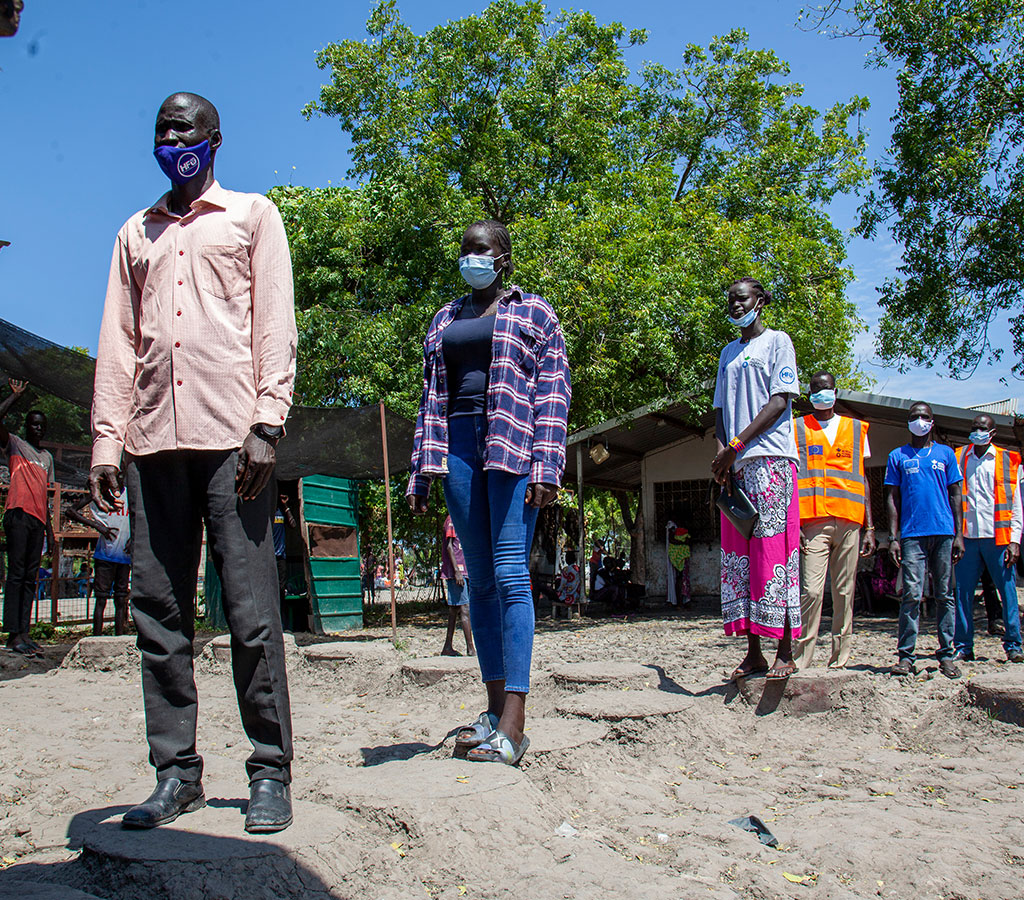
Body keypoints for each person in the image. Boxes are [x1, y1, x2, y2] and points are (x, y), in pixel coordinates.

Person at [90, 93, 297, 833]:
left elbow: (274, 320)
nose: (171, 138)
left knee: (249, 615)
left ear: (214, 139)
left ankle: (270, 771)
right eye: (161, 129)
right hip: (151, 444)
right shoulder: (134, 233)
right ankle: (175, 774)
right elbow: (118, 340)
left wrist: (268, 423)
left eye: (184, 128)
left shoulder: (251, 216)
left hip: (232, 443)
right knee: (160, 616)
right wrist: (106, 440)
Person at [407, 219, 570, 766]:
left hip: (512, 448)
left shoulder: (535, 313)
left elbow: (553, 394)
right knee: (477, 582)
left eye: (482, 249)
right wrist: (420, 471)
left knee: (509, 573)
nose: (472, 257)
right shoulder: (444, 318)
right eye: (465, 249)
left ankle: (516, 723)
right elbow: (431, 398)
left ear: (503, 258)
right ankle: (495, 710)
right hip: (455, 450)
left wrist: (548, 466)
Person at [712, 277, 802, 681]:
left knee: (773, 552)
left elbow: (780, 401)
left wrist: (737, 442)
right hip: (735, 464)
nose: (735, 304)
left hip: (770, 458)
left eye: (742, 298)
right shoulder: (727, 353)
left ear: (761, 301)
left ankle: (784, 649)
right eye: (730, 299)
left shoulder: (778, 342)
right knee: (741, 555)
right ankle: (754, 653)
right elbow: (718, 411)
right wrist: (723, 454)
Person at [792, 371, 877, 670]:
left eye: (826, 388)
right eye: (815, 390)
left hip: (850, 520)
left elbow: (863, 480)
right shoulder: (797, 429)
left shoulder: (855, 429)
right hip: (813, 522)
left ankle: (839, 659)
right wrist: (795, 524)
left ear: (835, 391)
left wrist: (870, 526)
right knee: (812, 591)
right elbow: (791, 479)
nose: (821, 394)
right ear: (809, 394)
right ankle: (802, 658)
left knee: (844, 592)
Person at [884, 402, 964, 678]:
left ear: (933, 421)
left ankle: (946, 654)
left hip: (943, 533)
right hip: (911, 535)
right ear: (908, 422)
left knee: (945, 595)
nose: (920, 420)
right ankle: (906, 656)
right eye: (915, 416)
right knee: (911, 596)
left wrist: (959, 535)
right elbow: (892, 498)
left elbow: (956, 495)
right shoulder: (898, 456)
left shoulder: (946, 454)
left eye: (925, 417)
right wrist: (893, 537)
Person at [952, 414, 1022, 663]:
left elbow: (1016, 504)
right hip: (967, 537)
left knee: (1008, 592)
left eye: (983, 428)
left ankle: (1013, 644)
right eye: (974, 428)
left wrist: (1015, 540)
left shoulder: (1008, 459)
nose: (977, 431)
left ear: (992, 433)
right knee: (962, 593)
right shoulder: (959, 456)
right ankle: (963, 646)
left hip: (998, 537)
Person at [1, 378, 55, 657]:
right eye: (34, 423)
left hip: (36, 519)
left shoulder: (46, 458)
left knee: (30, 578)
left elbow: (45, 497)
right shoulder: (14, 445)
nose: (38, 428)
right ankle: (12, 634)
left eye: (41, 425)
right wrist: (14, 397)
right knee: (17, 575)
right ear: (26, 426)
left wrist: (50, 533)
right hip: (18, 515)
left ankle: (24, 631)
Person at [65, 487, 132, 636]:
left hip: (124, 555)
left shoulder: (131, 493)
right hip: (105, 554)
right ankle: (97, 635)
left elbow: (141, 517)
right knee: (101, 598)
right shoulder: (100, 493)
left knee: (121, 598)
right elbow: (71, 511)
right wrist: (98, 526)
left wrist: (133, 538)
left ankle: (119, 635)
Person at [439, 514, 474, 657]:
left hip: (463, 571)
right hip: (456, 572)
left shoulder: (462, 519)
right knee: (465, 608)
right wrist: (457, 572)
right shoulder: (451, 520)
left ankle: (447, 646)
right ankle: (471, 648)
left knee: (454, 609)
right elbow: (449, 547)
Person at [272, 494, 299, 631]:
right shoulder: (266, 513)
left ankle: (282, 625)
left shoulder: (281, 512)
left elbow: (293, 525)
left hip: (281, 557)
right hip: (269, 558)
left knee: (281, 591)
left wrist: (286, 506)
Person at [665, 512, 691, 607]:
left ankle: (682, 601)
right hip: (678, 557)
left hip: (680, 556)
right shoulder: (672, 527)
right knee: (680, 578)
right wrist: (683, 543)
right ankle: (679, 602)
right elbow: (671, 540)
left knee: (681, 578)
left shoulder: (680, 530)